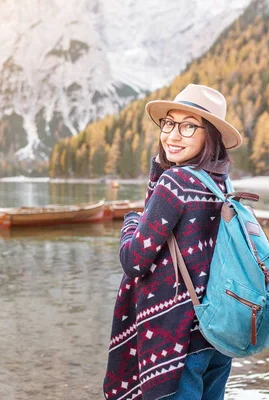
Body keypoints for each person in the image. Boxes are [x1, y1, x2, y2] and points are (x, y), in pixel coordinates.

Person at [103, 84, 243, 400]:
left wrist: (130, 222)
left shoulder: (177, 183)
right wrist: (161, 171)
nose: (173, 135)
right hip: (218, 328)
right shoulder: (221, 183)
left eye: (188, 126)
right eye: (169, 123)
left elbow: (134, 260)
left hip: (179, 337)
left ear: (210, 135)